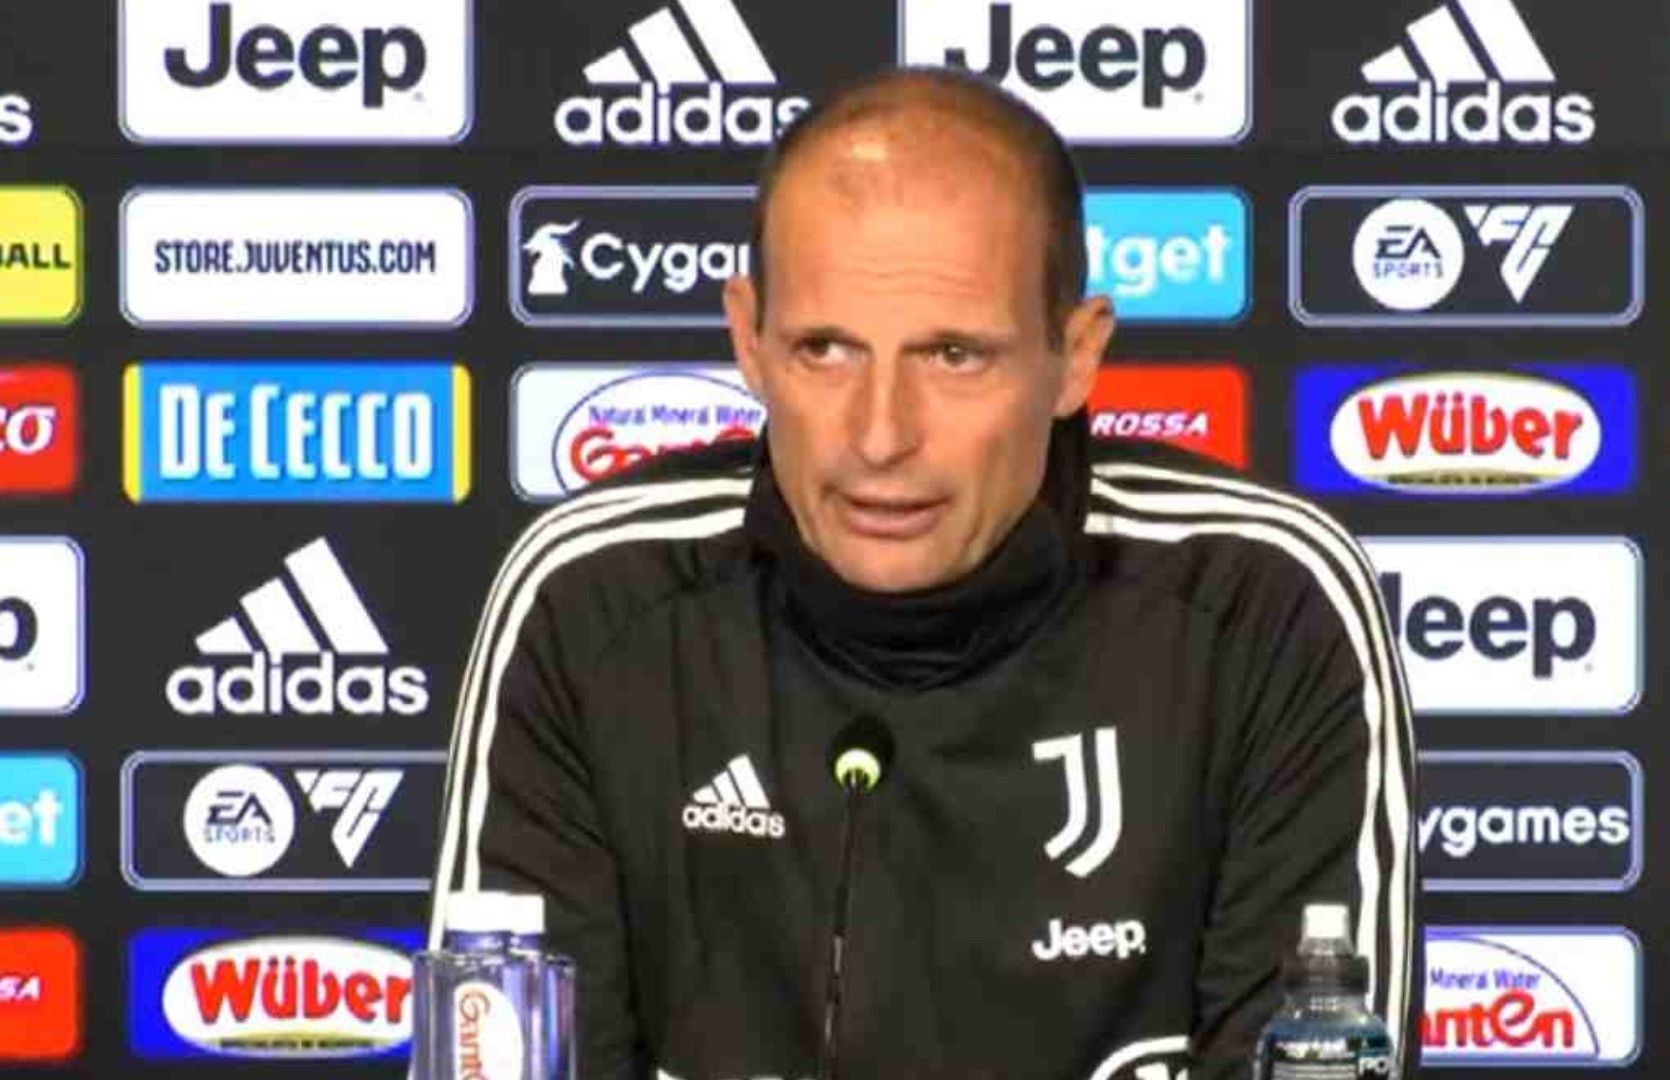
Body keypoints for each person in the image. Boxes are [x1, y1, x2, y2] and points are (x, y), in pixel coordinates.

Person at [426, 65, 1418, 1080]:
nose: (881, 436)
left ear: (1076, 356)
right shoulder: (592, 609)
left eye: (953, 356)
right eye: (825, 350)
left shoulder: (1262, 611)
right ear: (749, 341)